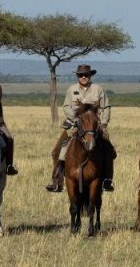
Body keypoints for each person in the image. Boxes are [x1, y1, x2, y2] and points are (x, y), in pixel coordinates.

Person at [45, 64, 116, 192]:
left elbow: (106, 107)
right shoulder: (71, 89)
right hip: (74, 126)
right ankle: (57, 181)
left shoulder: (98, 89)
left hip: (94, 127)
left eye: (86, 75)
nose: (83, 77)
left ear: (90, 75)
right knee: (57, 151)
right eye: (80, 75)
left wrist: (104, 124)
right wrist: (75, 119)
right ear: (77, 76)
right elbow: (66, 106)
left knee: (109, 150)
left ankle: (107, 180)